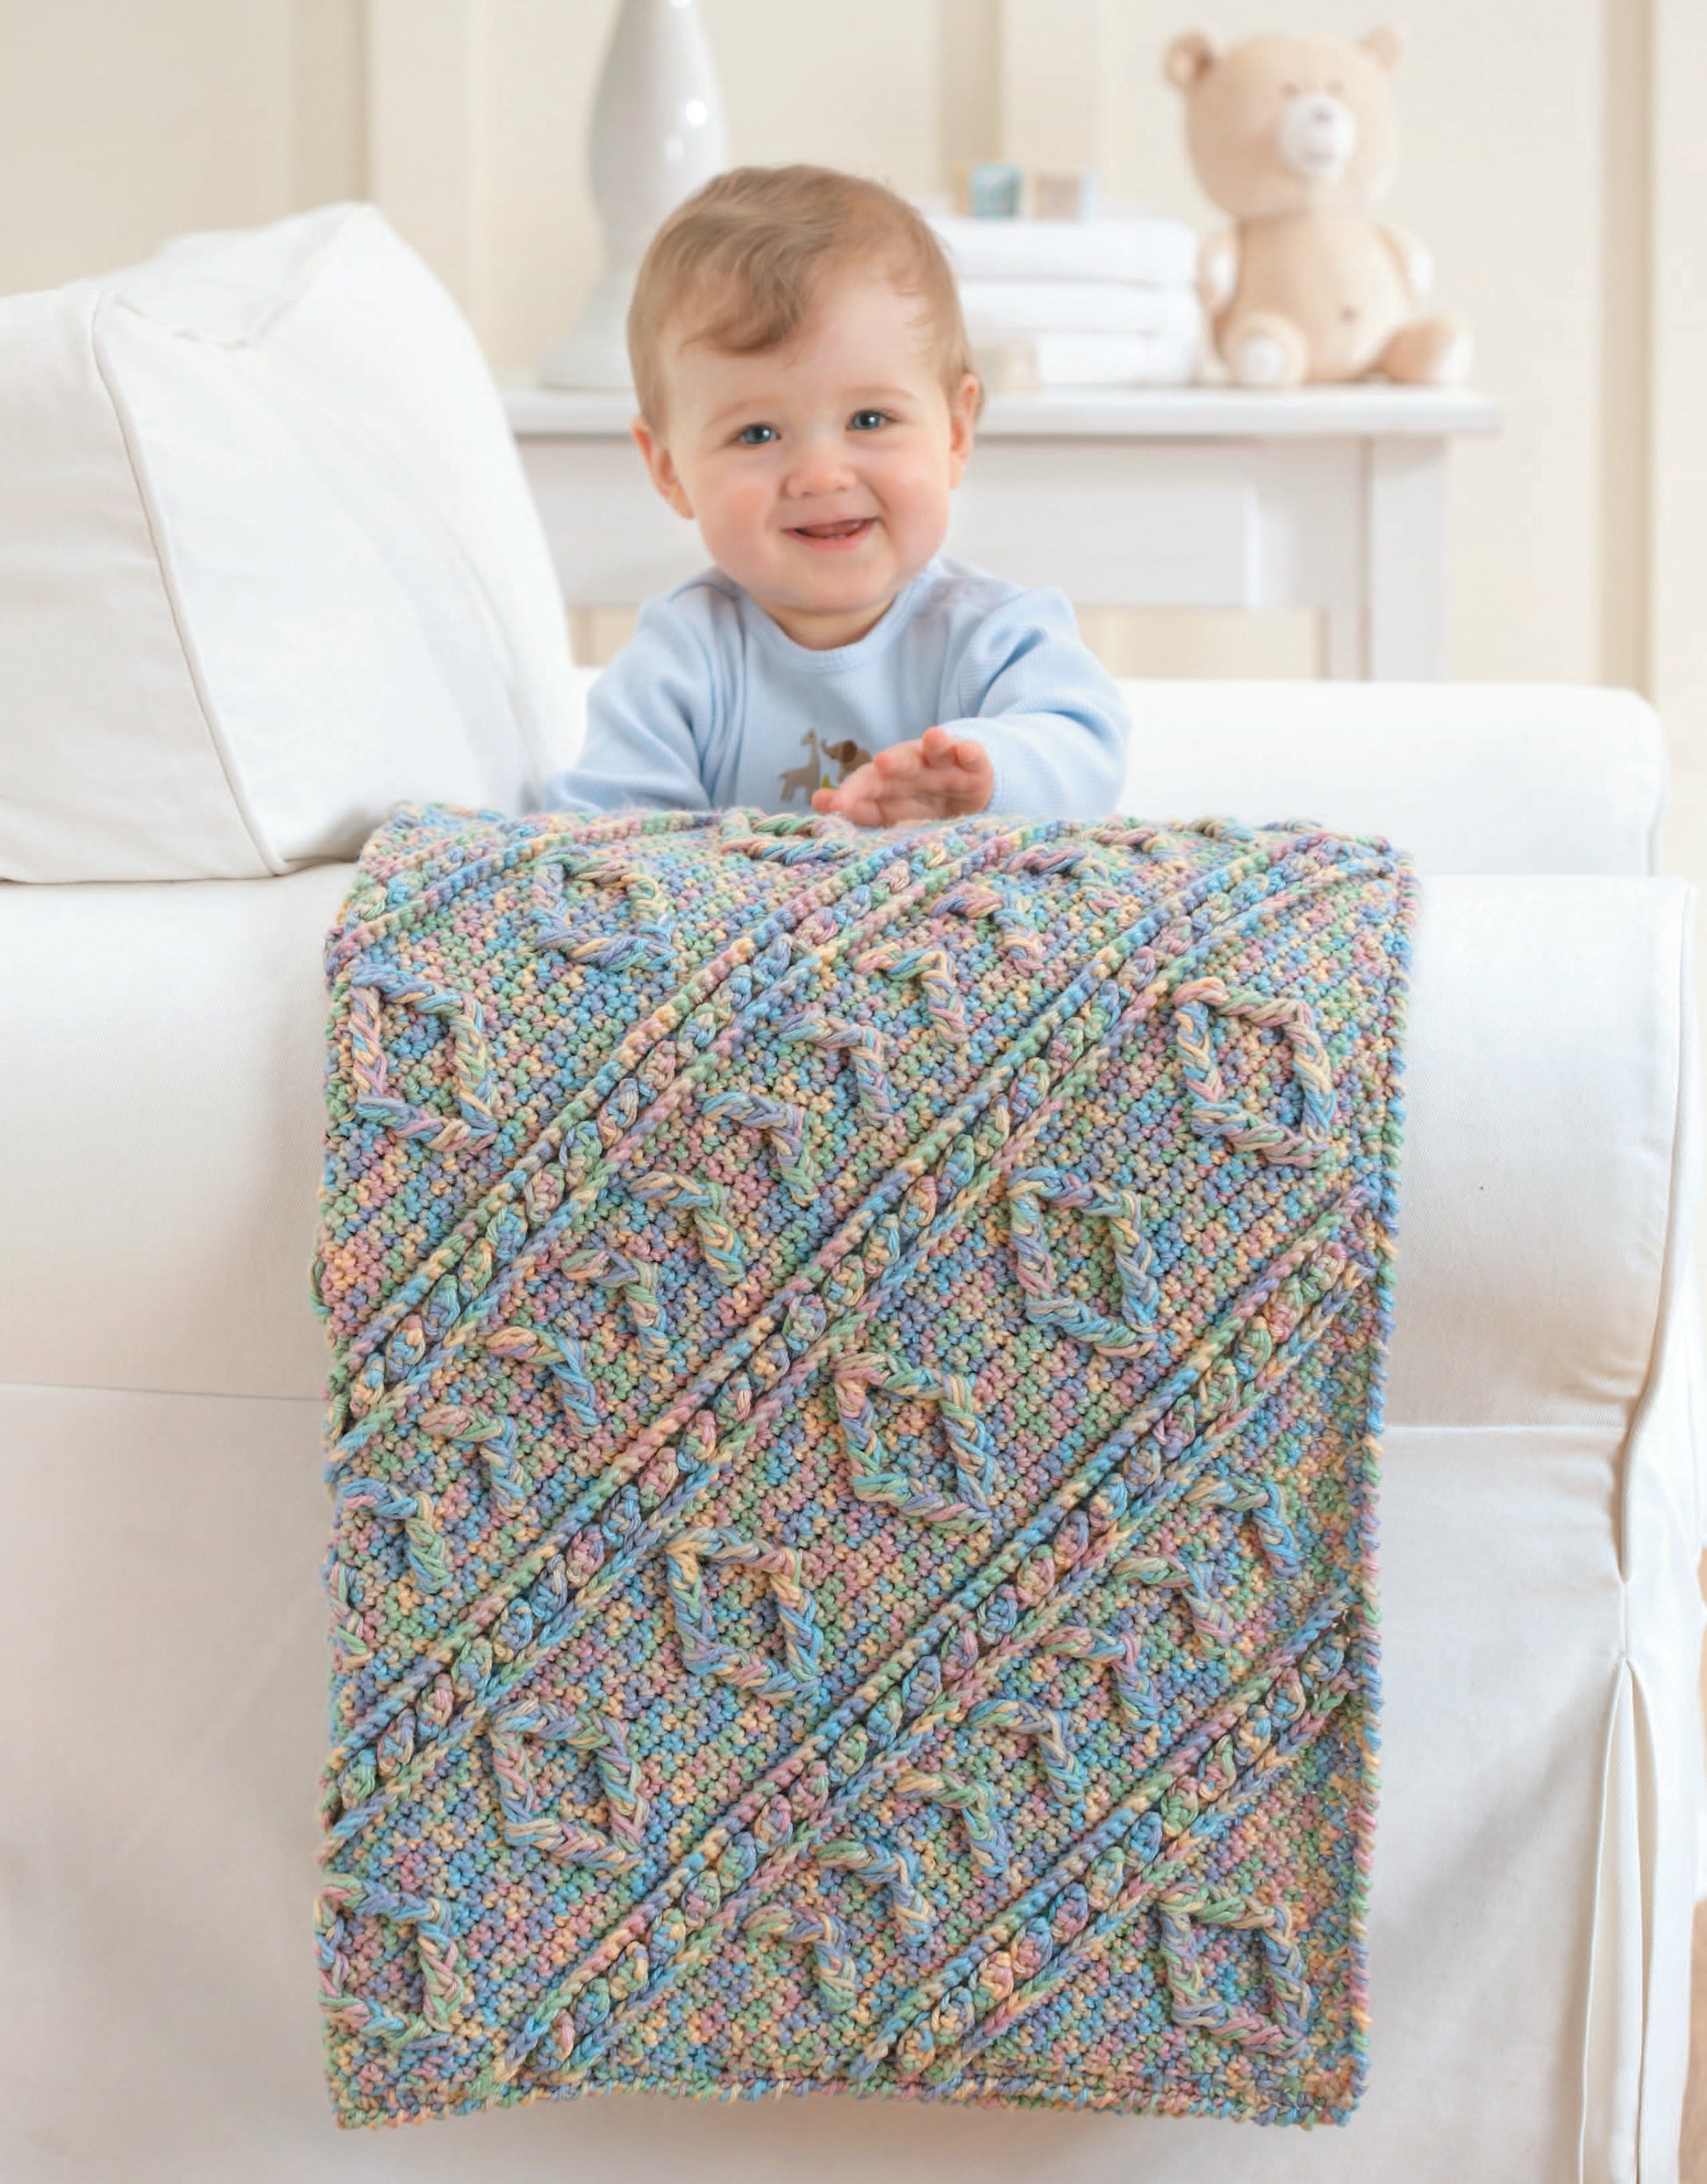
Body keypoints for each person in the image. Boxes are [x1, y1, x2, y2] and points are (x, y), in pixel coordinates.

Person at [537, 163, 1132, 828]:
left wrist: (986, 775)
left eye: (869, 420)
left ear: (956, 431)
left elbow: (1086, 753)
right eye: (757, 433)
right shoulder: (679, 662)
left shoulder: (996, 636)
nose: (821, 475)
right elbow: (602, 838)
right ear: (669, 468)